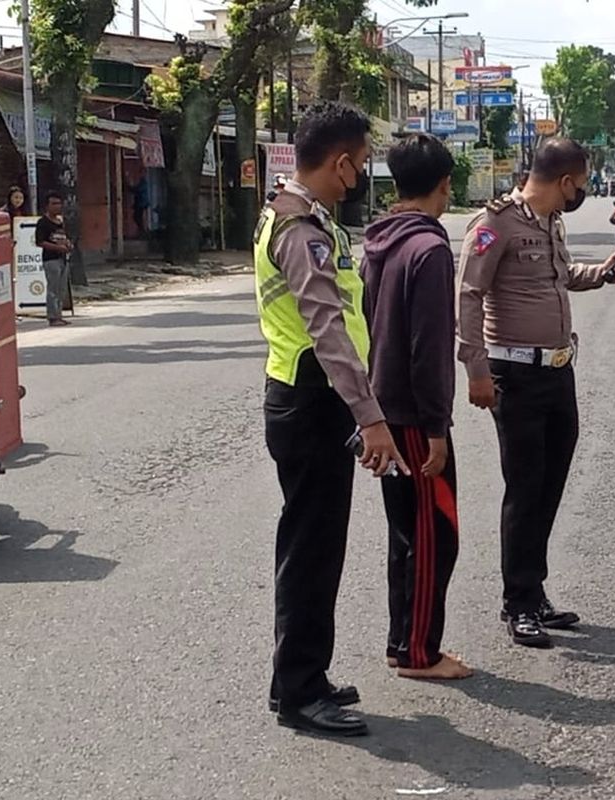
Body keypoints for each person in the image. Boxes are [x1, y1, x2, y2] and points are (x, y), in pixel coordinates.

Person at [256, 101, 409, 739]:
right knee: (311, 552)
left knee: (318, 548)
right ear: (341, 162)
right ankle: (297, 692)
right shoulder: (301, 231)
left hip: (310, 401)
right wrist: (370, 418)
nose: (360, 179)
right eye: (361, 166)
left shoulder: (300, 217)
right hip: (311, 403)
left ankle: (305, 677)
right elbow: (326, 328)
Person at [457, 138, 615, 649]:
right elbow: (468, 295)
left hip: (558, 371)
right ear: (564, 181)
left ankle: (534, 592)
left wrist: (605, 272)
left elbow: (561, 278)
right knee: (525, 488)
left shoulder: (550, 223)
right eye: (580, 186)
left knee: (550, 485)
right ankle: (517, 603)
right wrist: (475, 370)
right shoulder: (496, 224)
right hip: (514, 374)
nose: (580, 193)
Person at [360, 134, 471, 682]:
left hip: (384, 405)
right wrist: (436, 428)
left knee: (406, 531)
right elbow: (430, 347)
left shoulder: (379, 241)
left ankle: (400, 641)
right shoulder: (428, 249)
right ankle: (420, 653)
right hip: (412, 414)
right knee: (435, 534)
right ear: (444, 186)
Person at [34, 192, 72, 327]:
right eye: (54, 204)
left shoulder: (60, 222)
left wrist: (67, 244)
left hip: (63, 259)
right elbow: (40, 242)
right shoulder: (42, 223)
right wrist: (57, 248)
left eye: (59, 203)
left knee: (61, 289)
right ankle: (52, 316)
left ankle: (59, 314)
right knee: (53, 289)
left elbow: (63, 237)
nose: (58, 207)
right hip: (51, 260)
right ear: (47, 206)